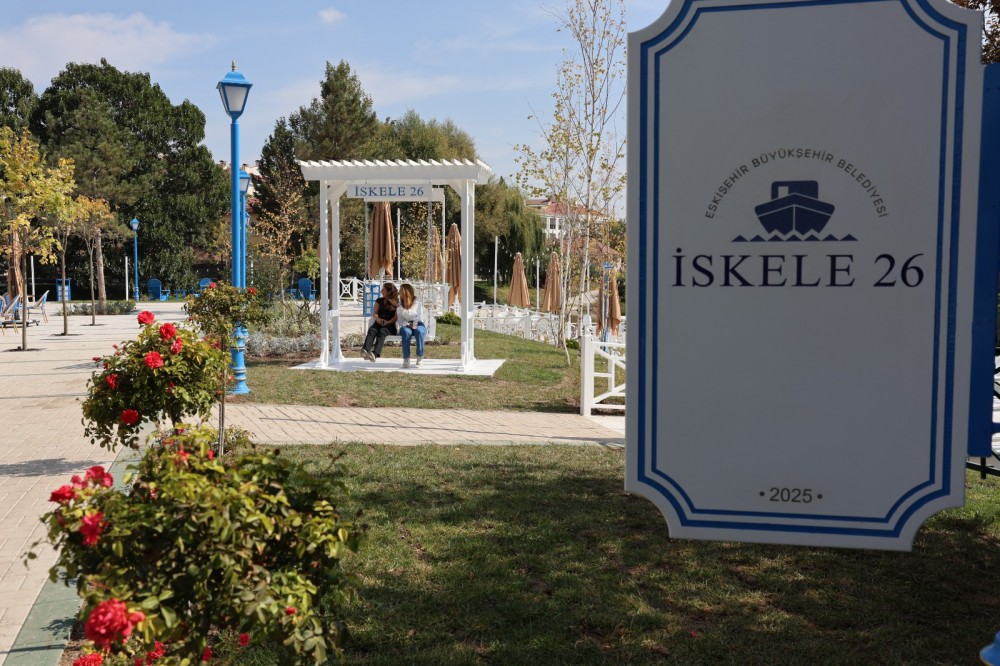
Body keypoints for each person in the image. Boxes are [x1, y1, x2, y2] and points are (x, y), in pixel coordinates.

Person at [361, 283, 398, 362]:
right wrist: (377, 319)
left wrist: (388, 322)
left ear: (388, 291)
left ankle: (375, 353)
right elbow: (375, 313)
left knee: (382, 331)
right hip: (379, 322)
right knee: (372, 330)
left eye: (383, 290)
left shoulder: (396, 302)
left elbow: (396, 317)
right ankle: (365, 349)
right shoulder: (379, 300)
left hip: (390, 325)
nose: (381, 291)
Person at [396, 283, 426, 368]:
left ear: (405, 292)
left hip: (418, 323)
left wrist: (400, 308)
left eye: (400, 290)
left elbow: (411, 315)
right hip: (406, 324)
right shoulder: (400, 302)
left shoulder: (416, 301)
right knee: (405, 332)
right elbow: (400, 320)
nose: (398, 292)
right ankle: (406, 358)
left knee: (419, 331)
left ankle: (420, 356)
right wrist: (405, 320)